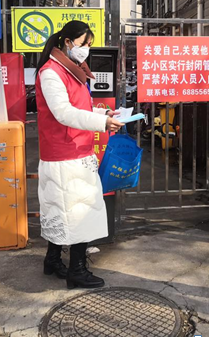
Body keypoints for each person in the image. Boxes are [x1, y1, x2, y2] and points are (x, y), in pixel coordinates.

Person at [35, 20, 124, 289]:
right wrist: (102, 123)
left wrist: (103, 113)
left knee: (61, 210)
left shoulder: (69, 70)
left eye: (89, 44)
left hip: (73, 151)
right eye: (84, 43)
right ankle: (77, 270)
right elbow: (63, 113)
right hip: (66, 154)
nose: (87, 48)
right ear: (67, 42)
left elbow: (78, 108)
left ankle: (52, 260)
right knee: (78, 213)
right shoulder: (52, 73)